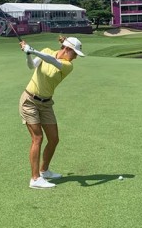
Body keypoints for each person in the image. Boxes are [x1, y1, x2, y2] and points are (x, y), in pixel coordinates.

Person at [19, 36, 85, 189]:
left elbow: (51, 61)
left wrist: (32, 49)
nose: (75, 57)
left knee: (54, 139)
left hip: (46, 103)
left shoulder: (68, 65)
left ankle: (44, 171)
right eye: (74, 53)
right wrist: (28, 54)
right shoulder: (47, 51)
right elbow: (31, 66)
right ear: (67, 49)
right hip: (29, 101)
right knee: (37, 138)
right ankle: (35, 179)